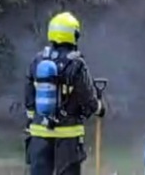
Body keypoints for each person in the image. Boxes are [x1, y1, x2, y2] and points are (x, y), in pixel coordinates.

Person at [24, 11, 106, 175]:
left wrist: (33, 119)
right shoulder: (76, 64)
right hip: (68, 137)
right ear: (73, 35)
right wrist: (100, 108)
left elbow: (29, 96)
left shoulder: (38, 60)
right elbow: (88, 99)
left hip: (38, 134)